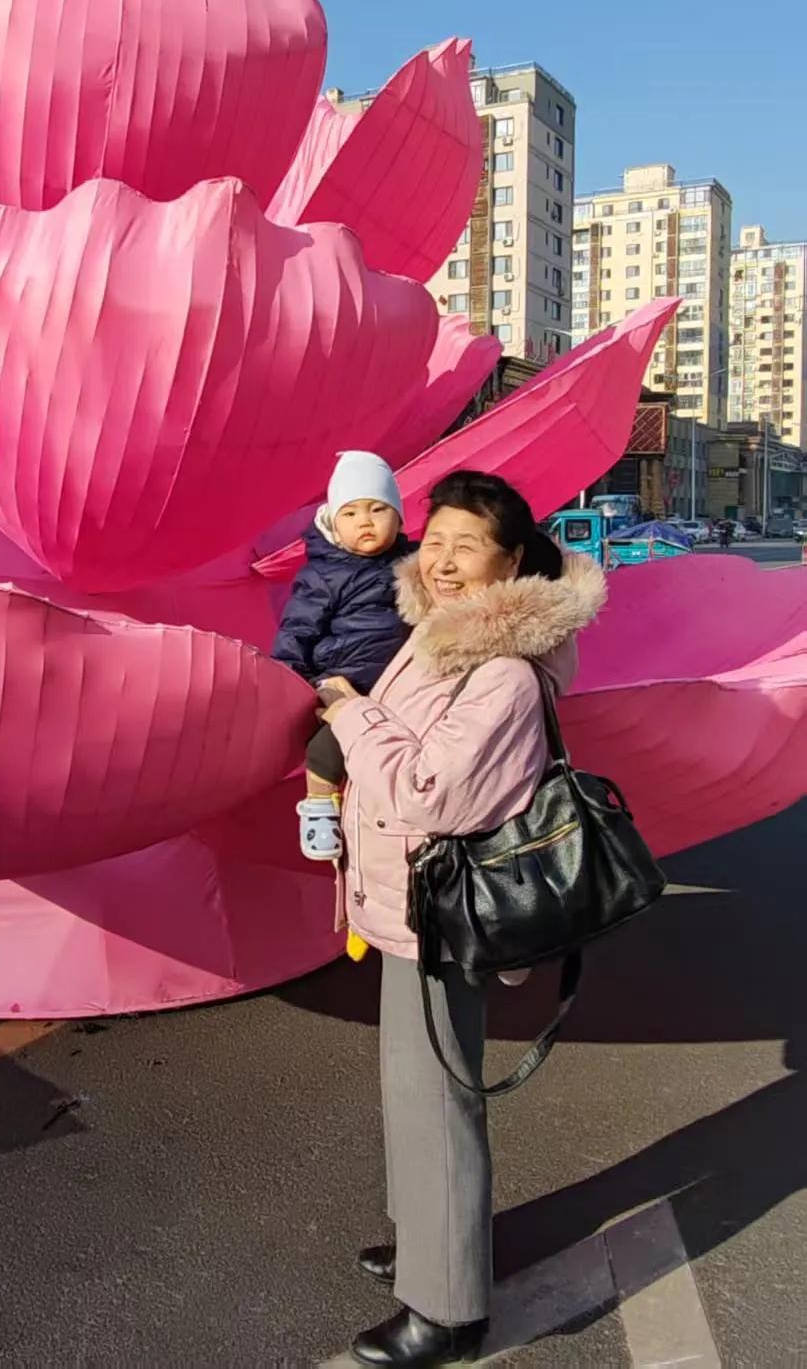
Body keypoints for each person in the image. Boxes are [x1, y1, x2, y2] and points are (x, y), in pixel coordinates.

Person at [315, 470, 606, 1368]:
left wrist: (349, 711)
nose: (441, 560)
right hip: (409, 905)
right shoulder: (434, 637)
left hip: (447, 909)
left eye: (465, 545)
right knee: (411, 1087)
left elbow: (424, 790)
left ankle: (445, 1310)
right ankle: (427, 1240)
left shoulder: (504, 672)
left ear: (510, 563)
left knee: (438, 1098)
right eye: (433, 539)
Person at [272, 451, 414, 939]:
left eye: (377, 510)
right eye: (351, 513)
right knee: (328, 748)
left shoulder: (412, 566)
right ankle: (317, 807)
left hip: (397, 684)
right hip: (341, 680)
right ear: (334, 522)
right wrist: (289, 677)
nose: (366, 523)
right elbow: (297, 629)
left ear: (398, 516)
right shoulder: (324, 574)